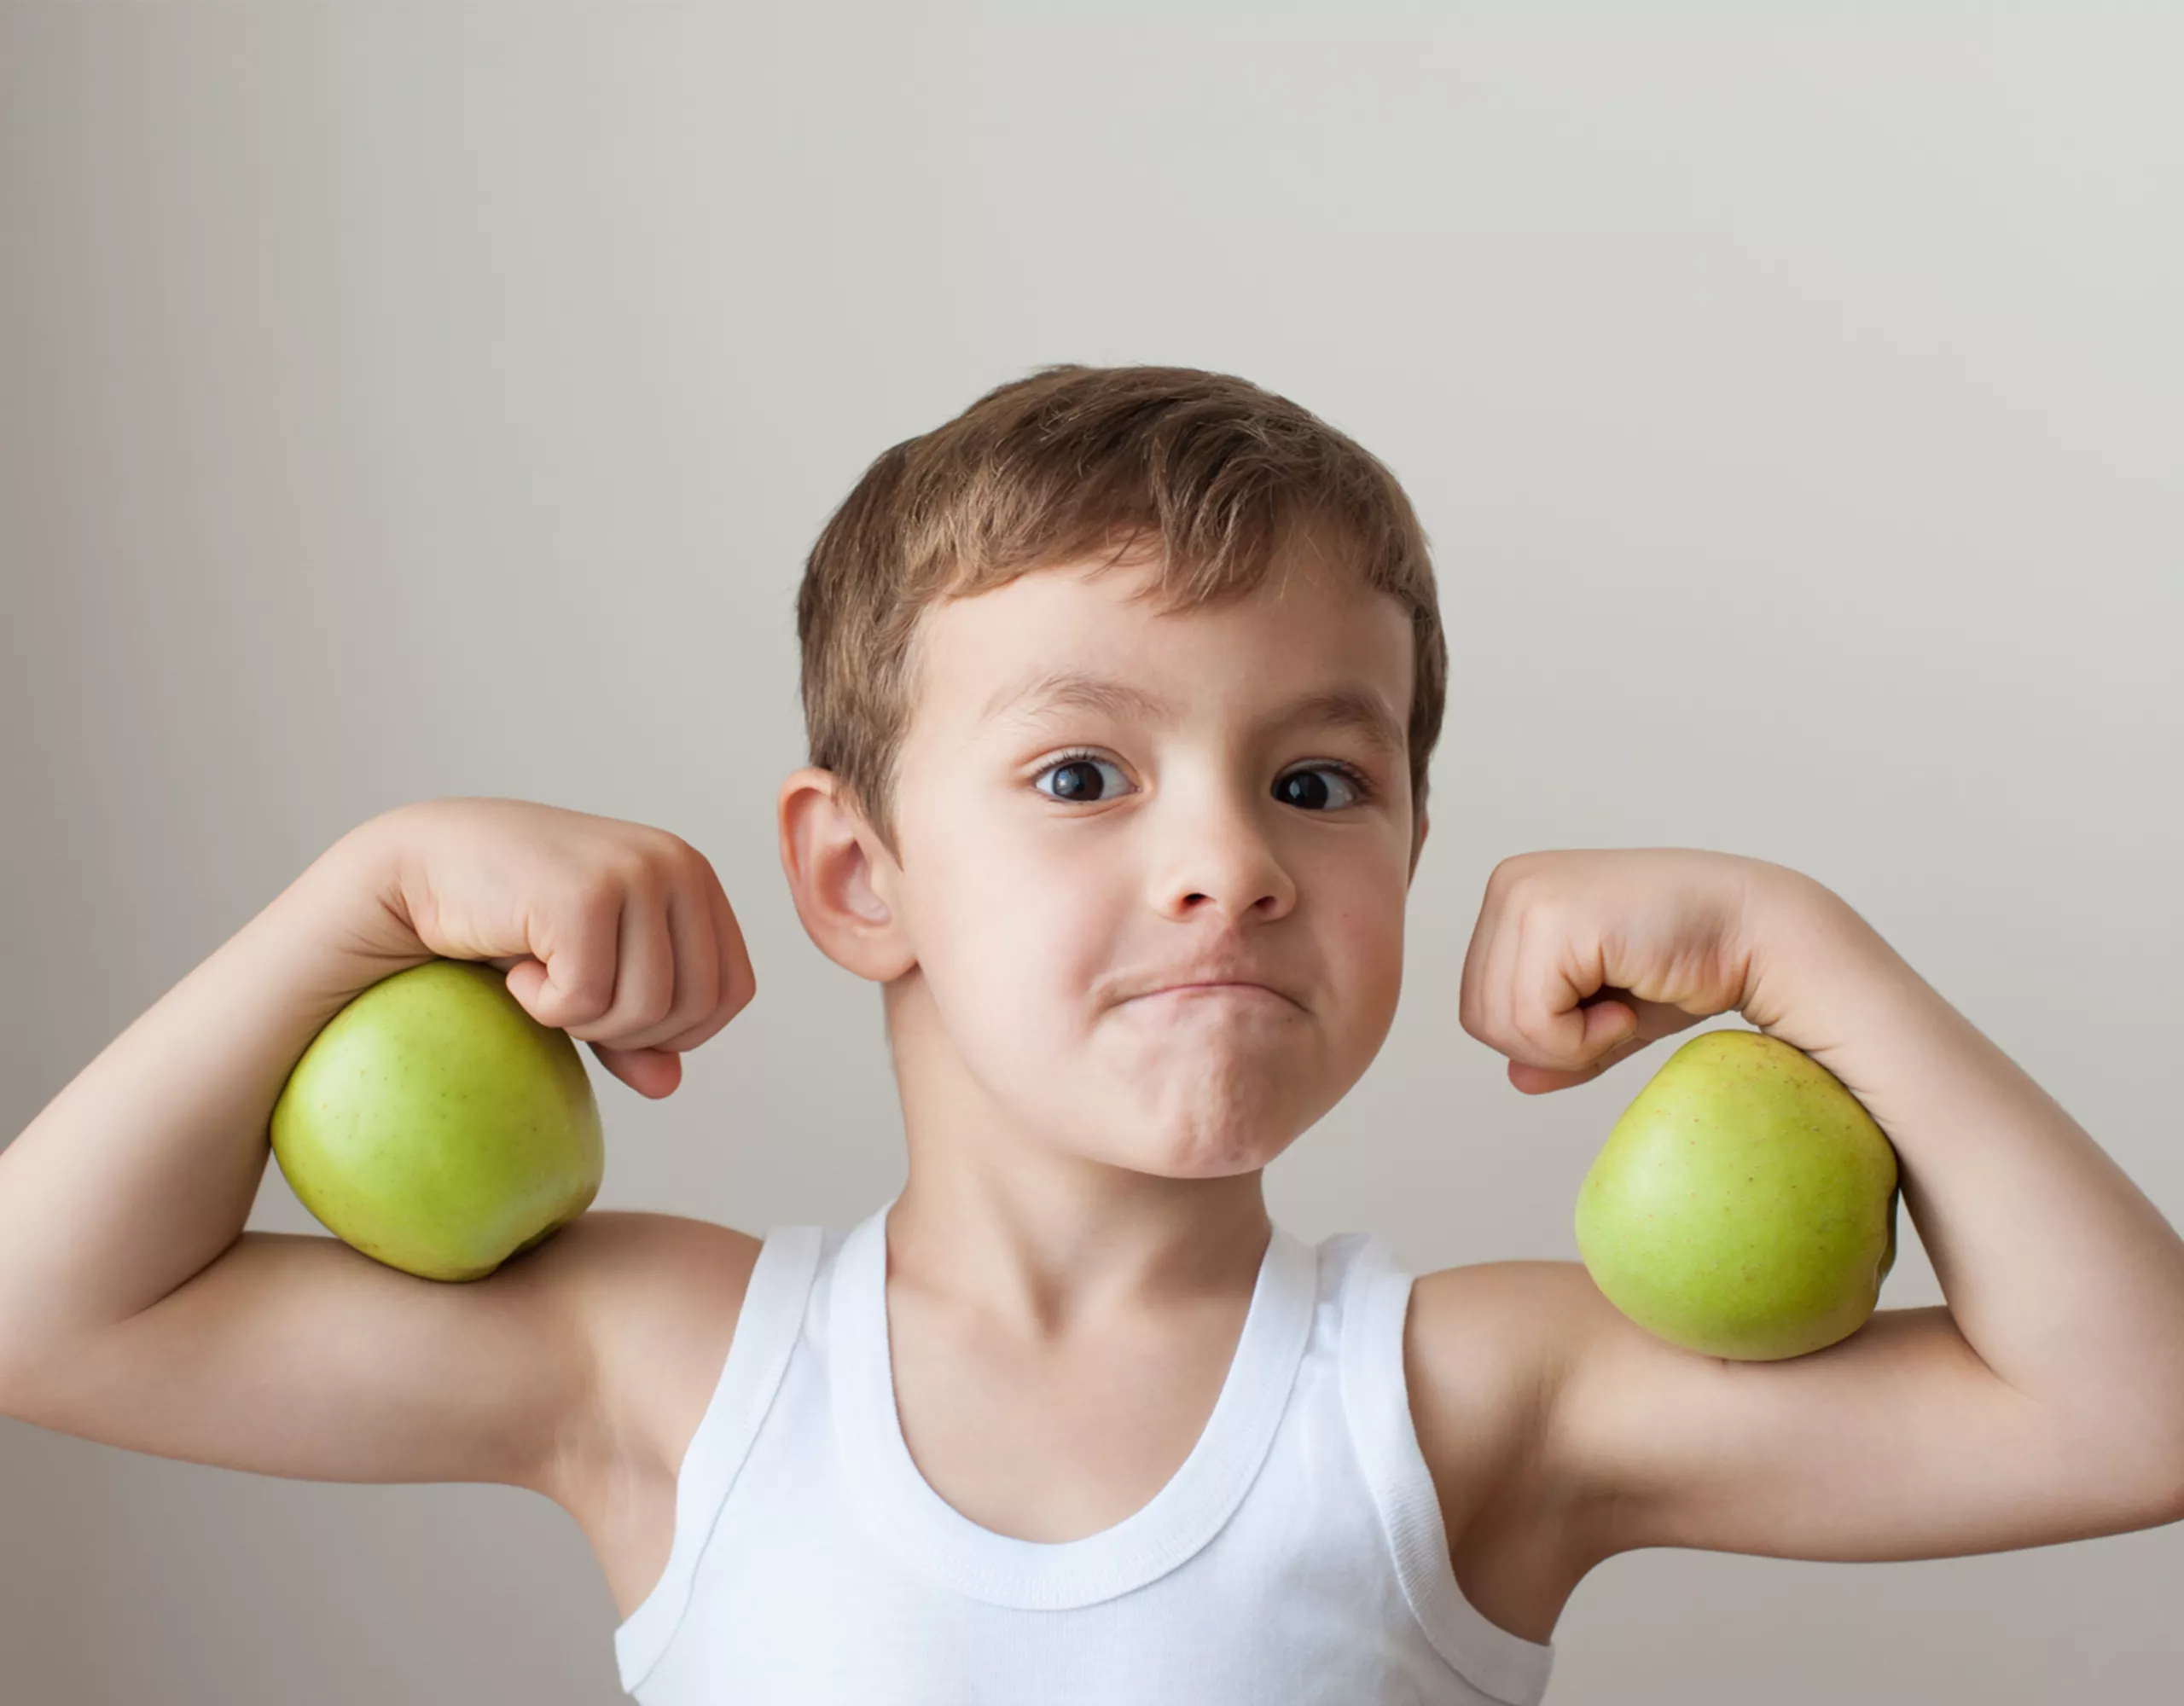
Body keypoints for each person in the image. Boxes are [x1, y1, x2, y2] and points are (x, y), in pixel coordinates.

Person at [2, 365, 2180, 1704]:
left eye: (1316, 783)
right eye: (1080, 776)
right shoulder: (677, 1368)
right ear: (860, 877)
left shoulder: (1460, 1401)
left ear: (1412, 849)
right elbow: (49, 1310)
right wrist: (359, 895)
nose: (1227, 862)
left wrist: (1807, 952)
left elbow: (2130, 1414)